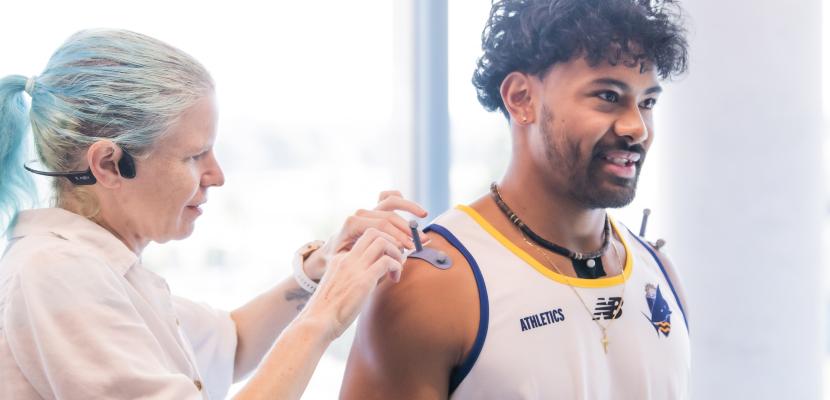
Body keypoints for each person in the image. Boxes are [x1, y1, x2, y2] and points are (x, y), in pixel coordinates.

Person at [0, 29, 427, 400]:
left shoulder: (99, 270)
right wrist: (328, 312)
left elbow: (234, 345)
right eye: (194, 156)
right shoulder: (54, 273)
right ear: (109, 164)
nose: (216, 176)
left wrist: (318, 270)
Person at [341, 0, 691, 398]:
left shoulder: (659, 271)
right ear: (521, 98)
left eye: (648, 103)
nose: (637, 128)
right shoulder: (431, 289)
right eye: (608, 96)